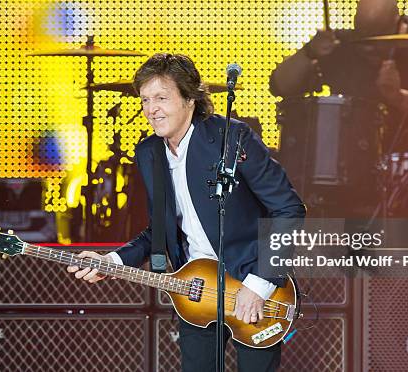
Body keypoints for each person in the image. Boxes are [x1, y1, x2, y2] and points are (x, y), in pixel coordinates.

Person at [67, 53, 306, 371]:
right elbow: (158, 231)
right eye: (146, 100)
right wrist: (111, 261)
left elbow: (288, 208)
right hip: (196, 292)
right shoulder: (149, 152)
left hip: (254, 288)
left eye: (162, 98)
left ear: (190, 98)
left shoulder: (231, 138)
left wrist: (259, 283)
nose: (152, 110)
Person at [270, 0, 408, 155]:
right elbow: (280, 86)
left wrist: (398, 96)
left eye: (376, 38)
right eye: (363, 37)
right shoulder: (342, 45)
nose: (367, 46)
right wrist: (308, 52)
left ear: (397, 22)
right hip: (352, 169)